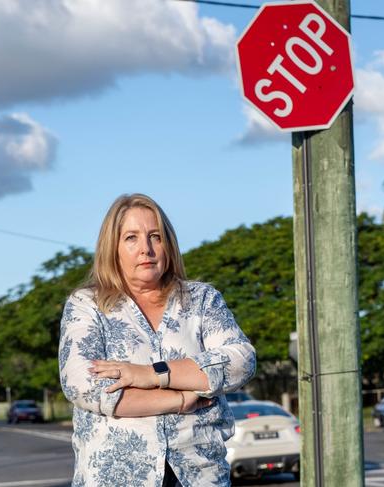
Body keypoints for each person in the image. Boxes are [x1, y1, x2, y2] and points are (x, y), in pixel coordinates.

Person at [59, 193, 256, 487]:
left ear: (168, 245)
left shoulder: (202, 300)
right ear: (112, 247)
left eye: (155, 236)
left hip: (199, 474)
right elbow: (84, 386)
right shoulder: (87, 305)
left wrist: (149, 374)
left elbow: (240, 361)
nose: (146, 249)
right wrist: (180, 398)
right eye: (131, 238)